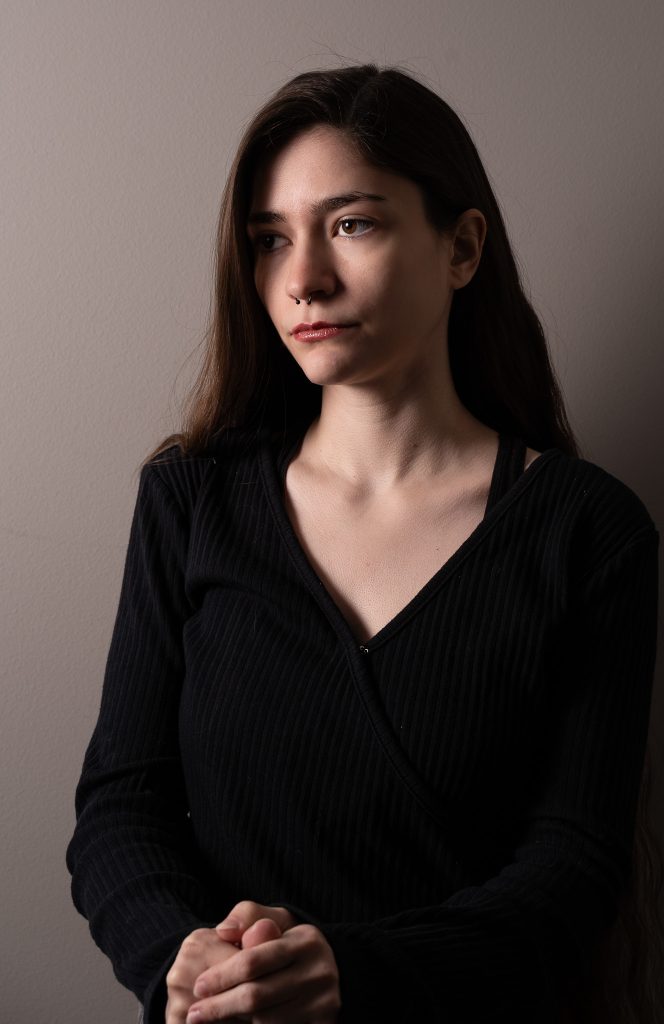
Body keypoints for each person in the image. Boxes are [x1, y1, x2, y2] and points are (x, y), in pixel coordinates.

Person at [66, 65, 660, 1024]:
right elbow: (119, 810)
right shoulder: (189, 501)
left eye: (353, 224)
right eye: (270, 240)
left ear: (462, 247)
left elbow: (575, 865)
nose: (303, 279)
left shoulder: (590, 533)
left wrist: (354, 973)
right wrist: (174, 956)